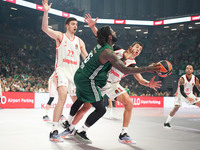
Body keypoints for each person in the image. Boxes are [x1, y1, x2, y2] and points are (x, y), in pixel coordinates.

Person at [60, 25, 160, 144]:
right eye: (137, 47)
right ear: (131, 47)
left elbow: (140, 79)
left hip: (113, 85)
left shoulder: (133, 64)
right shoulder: (116, 49)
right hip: (100, 82)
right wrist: (92, 26)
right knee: (86, 107)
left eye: (140, 50)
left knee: (129, 103)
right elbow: (101, 36)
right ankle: (70, 128)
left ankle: (123, 133)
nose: (138, 50)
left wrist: (149, 84)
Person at [42, 0, 91, 142]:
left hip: (75, 77)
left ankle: (69, 125)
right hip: (61, 72)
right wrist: (46, 12)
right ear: (67, 26)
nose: (75, 26)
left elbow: (87, 58)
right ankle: (54, 130)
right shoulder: (60, 36)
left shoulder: (80, 42)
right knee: (62, 97)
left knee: (83, 105)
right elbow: (45, 29)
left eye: (77, 24)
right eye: (73, 24)